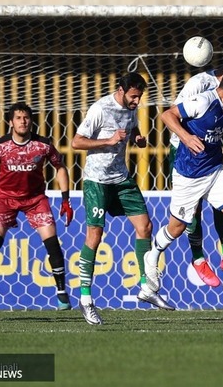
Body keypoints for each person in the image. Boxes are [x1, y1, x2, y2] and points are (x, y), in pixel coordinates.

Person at [145, 67, 223, 301]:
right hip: (189, 175)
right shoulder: (203, 100)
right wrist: (186, 138)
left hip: (214, 171)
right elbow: (168, 115)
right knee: (176, 228)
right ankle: (153, 254)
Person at [72, 72, 174, 325]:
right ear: (120, 90)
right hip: (97, 181)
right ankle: (86, 300)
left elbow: (131, 128)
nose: (137, 101)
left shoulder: (131, 109)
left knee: (145, 226)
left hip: (121, 178)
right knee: (94, 236)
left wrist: (138, 137)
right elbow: (76, 142)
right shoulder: (100, 108)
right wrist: (108, 140)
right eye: (133, 96)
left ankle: (147, 288)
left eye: (139, 97)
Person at [0, 102, 74, 311]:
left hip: (35, 200)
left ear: (31, 121)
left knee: (52, 241)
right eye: (18, 118)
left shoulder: (43, 145)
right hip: (4, 200)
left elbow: (60, 168)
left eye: (26, 117)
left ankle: (62, 294)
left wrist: (65, 200)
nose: (23, 121)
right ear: (11, 122)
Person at [170, 51, 223, 287]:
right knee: (193, 210)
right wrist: (187, 139)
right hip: (183, 150)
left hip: (211, 152)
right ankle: (198, 259)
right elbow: (173, 114)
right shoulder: (199, 84)